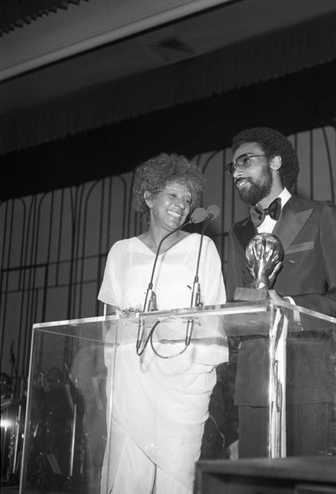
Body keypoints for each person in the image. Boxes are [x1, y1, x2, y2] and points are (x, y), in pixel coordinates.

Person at [225, 126, 336, 458]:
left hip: (309, 373)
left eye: (245, 160)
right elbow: (233, 303)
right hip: (254, 378)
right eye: (232, 167)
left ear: (274, 161)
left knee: (309, 478)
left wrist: (287, 305)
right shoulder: (237, 232)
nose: (236, 171)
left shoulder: (319, 214)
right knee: (258, 481)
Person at [97, 153, 227, 494]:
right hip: (130, 382)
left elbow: (214, 323)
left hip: (183, 388)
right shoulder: (120, 252)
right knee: (127, 479)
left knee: (176, 480)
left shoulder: (203, 248)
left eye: (187, 199)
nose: (181, 206)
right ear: (149, 196)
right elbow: (109, 326)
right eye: (173, 195)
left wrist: (191, 369)